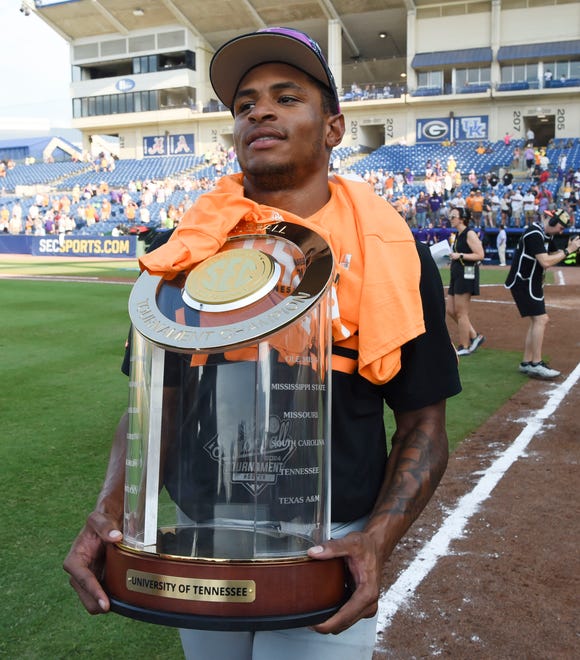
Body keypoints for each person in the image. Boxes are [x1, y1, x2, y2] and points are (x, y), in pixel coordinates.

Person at [63, 27, 461, 660]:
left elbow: (424, 425)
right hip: (196, 542)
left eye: (286, 96)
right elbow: (155, 405)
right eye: (245, 104)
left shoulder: (398, 253)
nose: (260, 111)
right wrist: (109, 507)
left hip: (327, 547)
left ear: (333, 127)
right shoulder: (185, 251)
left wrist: (377, 539)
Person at [504, 208, 580, 379]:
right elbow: (546, 261)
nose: (561, 231)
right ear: (553, 222)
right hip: (523, 282)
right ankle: (536, 363)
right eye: (561, 227)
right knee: (541, 319)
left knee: (537, 320)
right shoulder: (534, 234)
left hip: (532, 283)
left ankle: (527, 362)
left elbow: (554, 255)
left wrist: (570, 249)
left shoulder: (546, 236)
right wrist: (569, 250)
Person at [446, 207, 486, 356]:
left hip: (466, 274)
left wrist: (460, 255)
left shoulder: (469, 233)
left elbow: (480, 255)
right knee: (450, 309)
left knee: (461, 312)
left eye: (453, 216)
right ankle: (475, 337)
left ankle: (464, 345)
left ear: (462, 218)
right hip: (457, 274)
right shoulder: (458, 234)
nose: (451, 219)